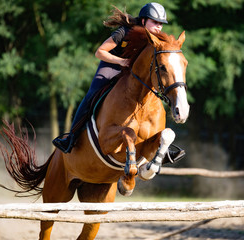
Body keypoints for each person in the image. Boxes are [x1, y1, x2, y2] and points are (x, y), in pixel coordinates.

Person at [52, 3, 185, 163]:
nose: (158, 27)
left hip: (133, 72)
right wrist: (121, 61)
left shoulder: (156, 41)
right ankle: (71, 137)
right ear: (143, 21)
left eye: (160, 23)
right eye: (155, 22)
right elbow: (99, 52)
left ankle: (159, 146)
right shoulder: (124, 32)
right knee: (92, 94)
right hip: (112, 65)